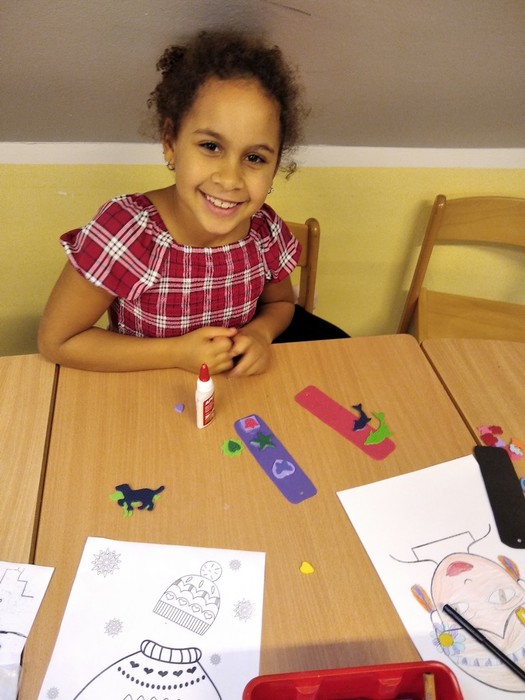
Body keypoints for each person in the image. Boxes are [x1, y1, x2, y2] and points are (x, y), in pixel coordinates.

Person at [38, 30, 349, 376]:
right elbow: (58, 341)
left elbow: (280, 303)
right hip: (143, 393)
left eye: (255, 158)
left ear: (274, 167)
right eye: (211, 147)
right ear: (170, 142)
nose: (230, 179)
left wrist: (261, 334)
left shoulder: (263, 231)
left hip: (234, 394)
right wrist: (176, 353)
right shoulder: (126, 234)